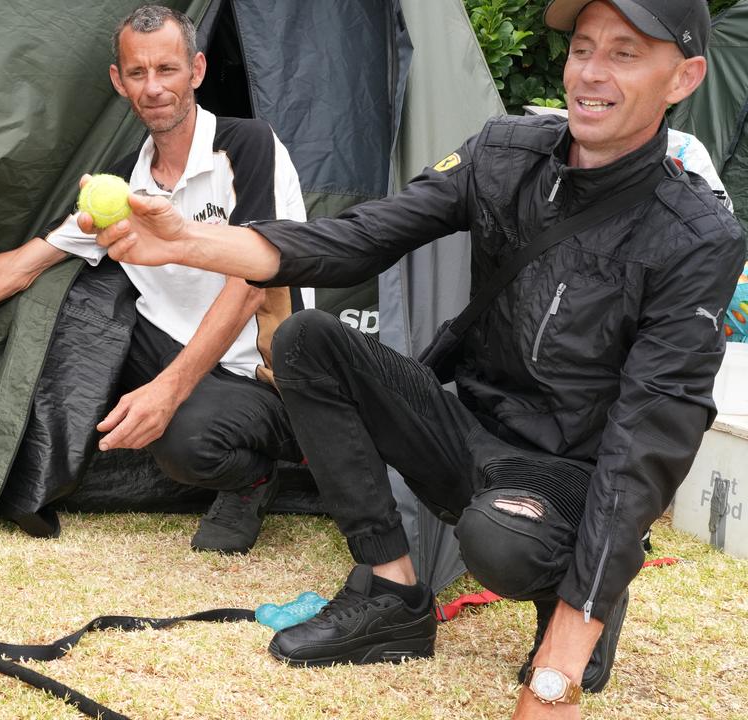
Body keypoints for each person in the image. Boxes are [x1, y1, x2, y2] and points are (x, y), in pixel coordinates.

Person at [80, 1, 744, 717]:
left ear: (684, 78)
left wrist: (558, 670)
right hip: (468, 426)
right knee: (308, 340)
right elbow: (359, 238)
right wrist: (185, 242)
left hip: (570, 477)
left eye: (624, 54)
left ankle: (579, 600)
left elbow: (650, 439)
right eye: (583, 48)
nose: (591, 72)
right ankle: (392, 592)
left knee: (501, 538)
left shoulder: (695, 237)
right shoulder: (506, 153)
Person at [0, 5, 306, 554]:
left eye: (167, 69)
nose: (154, 87)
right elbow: (20, 268)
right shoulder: (120, 184)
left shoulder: (251, 146)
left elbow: (250, 285)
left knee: (188, 445)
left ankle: (252, 479)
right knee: (74, 295)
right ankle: (40, 476)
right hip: (167, 349)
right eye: (138, 73)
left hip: (255, 375)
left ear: (197, 71)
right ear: (119, 82)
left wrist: (169, 390)